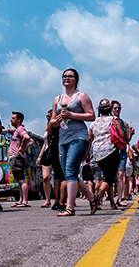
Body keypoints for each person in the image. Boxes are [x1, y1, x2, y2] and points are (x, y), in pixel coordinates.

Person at [50, 68, 97, 217]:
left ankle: (70, 207)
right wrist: (56, 121)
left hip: (78, 137)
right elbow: (52, 121)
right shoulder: (57, 99)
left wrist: (71, 114)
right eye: (65, 76)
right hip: (63, 139)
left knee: (70, 171)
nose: (67, 78)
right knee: (69, 174)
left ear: (76, 79)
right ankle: (91, 197)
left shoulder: (81, 96)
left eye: (70, 76)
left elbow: (91, 116)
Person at [86, 99, 125, 210]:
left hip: (98, 153)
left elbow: (90, 138)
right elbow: (121, 134)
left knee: (107, 177)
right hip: (111, 151)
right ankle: (96, 198)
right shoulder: (113, 119)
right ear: (110, 109)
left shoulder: (93, 123)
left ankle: (111, 202)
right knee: (110, 178)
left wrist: (88, 153)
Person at [111, 100, 135, 206]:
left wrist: (131, 135)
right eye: (115, 108)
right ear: (111, 109)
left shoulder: (124, 123)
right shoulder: (109, 121)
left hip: (121, 151)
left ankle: (120, 198)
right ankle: (105, 198)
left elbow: (126, 140)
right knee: (109, 176)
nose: (117, 110)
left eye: (119, 107)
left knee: (120, 175)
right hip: (110, 150)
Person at [9, 111, 33, 208]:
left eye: (13, 118)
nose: (11, 120)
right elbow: (30, 141)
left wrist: (22, 147)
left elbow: (27, 138)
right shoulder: (17, 130)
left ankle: (25, 201)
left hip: (17, 157)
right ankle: (21, 200)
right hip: (15, 157)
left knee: (22, 180)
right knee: (19, 180)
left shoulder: (20, 129)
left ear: (19, 120)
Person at [37, 110, 55, 208]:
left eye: (50, 115)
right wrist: (40, 156)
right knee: (45, 177)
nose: (48, 117)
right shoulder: (47, 128)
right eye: (47, 116)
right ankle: (47, 199)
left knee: (59, 177)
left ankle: (62, 198)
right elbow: (45, 143)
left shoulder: (57, 126)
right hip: (47, 153)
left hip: (56, 151)